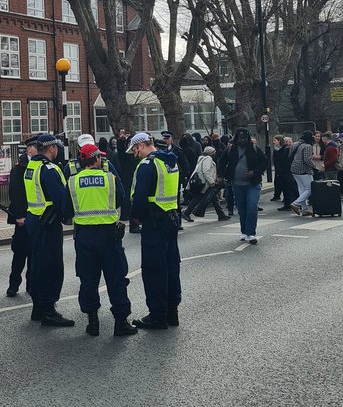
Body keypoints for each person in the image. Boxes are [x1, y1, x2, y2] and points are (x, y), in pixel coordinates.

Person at [64, 143, 138, 337]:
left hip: (84, 236)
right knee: (116, 279)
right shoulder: (110, 179)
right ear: (96, 159)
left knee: (88, 279)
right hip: (108, 235)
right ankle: (121, 322)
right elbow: (121, 200)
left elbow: (66, 208)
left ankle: (92, 322)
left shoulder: (73, 181)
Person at [128, 132, 182, 329]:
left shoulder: (147, 165)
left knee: (153, 268)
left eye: (135, 150)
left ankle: (157, 315)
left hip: (154, 221)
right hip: (171, 218)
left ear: (141, 145)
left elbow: (139, 198)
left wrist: (137, 217)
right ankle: (172, 312)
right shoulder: (171, 162)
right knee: (171, 265)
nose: (135, 154)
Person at [23, 133, 73, 327]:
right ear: (51, 148)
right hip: (48, 222)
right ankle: (48, 310)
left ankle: (38, 306)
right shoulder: (50, 169)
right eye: (56, 147)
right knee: (51, 266)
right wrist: (68, 214)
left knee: (36, 264)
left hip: (34, 220)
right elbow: (62, 199)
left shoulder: (32, 166)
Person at [218, 128, 268, 243]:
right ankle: (244, 232)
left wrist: (254, 171)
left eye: (244, 137)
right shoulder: (231, 149)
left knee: (252, 206)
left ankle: (251, 233)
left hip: (253, 183)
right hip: (237, 184)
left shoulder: (254, 148)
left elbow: (264, 162)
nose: (242, 140)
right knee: (242, 208)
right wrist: (220, 175)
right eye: (240, 137)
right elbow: (221, 161)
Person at [5, 137, 36, 297]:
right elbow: (15, 192)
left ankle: (31, 285)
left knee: (33, 255)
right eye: (36, 147)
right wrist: (19, 215)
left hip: (36, 217)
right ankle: (13, 285)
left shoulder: (39, 165)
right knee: (19, 254)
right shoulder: (19, 168)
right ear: (29, 149)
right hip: (23, 218)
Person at [180, 145, 230, 222]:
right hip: (204, 184)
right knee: (198, 198)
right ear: (211, 153)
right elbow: (206, 171)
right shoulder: (208, 159)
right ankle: (186, 213)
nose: (215, 155)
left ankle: (221, 215)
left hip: (203, 183)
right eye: (214, 153)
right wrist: (212, 182)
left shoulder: (202, 158)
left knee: (214, 198)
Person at [289, 130, 315, 216]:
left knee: (302, 189)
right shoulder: (307, 146)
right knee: (310, 189)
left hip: (294, 169)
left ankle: (304, 209)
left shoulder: (295, 144)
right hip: (304, 170)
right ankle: (296, 203)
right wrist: (316, 167)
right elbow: (307, 160)